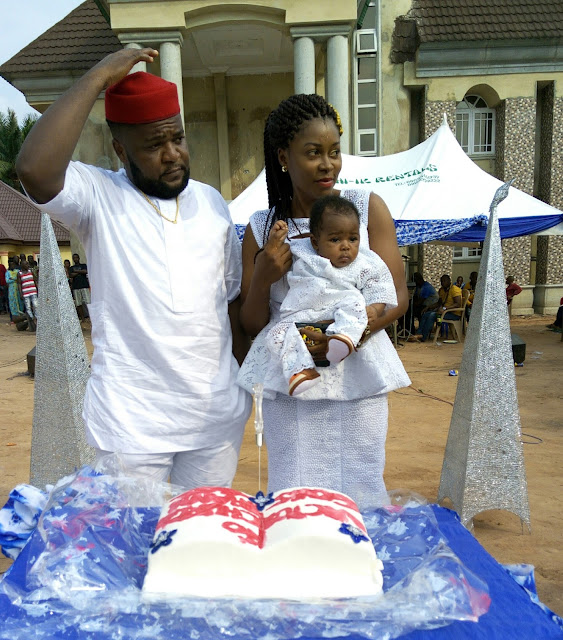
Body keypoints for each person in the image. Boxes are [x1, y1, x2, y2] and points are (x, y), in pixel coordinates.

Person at [16, 48, 251, 488]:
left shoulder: (212, 203)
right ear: (120, 150)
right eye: (154, 145)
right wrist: (99, 75)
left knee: (200, 529)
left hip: (214, 422)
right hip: (132, 426)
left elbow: (230, 304)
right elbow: (34, 169)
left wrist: (237, 389)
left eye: (178, 139)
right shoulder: (98, 196)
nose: (172, 155)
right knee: (133, 533)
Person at [238, 94, 410, 509]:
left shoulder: (366, 209)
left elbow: (396, 296)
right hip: (294, 383)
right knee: (295, 490)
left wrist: (341, 339)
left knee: (362, 484)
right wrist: (263, 276)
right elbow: (250, 322)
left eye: (334, 152)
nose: (328, 164)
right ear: (284, 157)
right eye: (313, 153)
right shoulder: (263, 228)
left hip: (359, 374)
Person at [238, 195, 398, 398]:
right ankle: (300, 370)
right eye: (335, 240)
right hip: (302, 314)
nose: (346, 246)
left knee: (354, 307)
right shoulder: (304, 253)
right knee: (278, 335)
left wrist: (375, 309)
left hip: (341, 308)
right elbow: (278, 253)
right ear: (315, 242)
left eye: (353, 239)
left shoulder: (365, 262)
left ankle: (343, 339)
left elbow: (380, 285)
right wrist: (275, 238)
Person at [415, 274, 462, 342]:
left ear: (449, 281)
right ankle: (418, 334)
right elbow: (439, 303)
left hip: (454, 314)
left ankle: (423, 337)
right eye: (441, 281)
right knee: (426, 314)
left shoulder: (455, 289)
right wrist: (428, 307)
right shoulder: (441, 290)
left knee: (432, 315)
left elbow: (458, 304)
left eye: (444, 281)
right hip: (444, 312)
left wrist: (445, 308)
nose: (442, 283)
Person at [17, 260, 38, 331]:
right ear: (22, 265)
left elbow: (35, 280)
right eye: (26, 264)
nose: (28, 265)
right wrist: (20, 293)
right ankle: (32, 319)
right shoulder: (19, 273)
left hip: (33, 291)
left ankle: (37, 318)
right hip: (25, 293)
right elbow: (19, 284)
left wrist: (38, 288)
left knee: (35, 305)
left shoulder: (31, 271)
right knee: (28, 307)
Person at [68, 253, 90, 321]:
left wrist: (76, 271)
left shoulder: (83, 265)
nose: (75, 259)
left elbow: (85, 271)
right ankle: (83, 319)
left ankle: (90, 317)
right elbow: (71, 275)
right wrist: (80, 272)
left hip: (84, 285)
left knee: (88, 302)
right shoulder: (71, 268)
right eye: (74, 258)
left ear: (79, 258)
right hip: (76, 287)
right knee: (78, 303)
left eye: (76, 257)